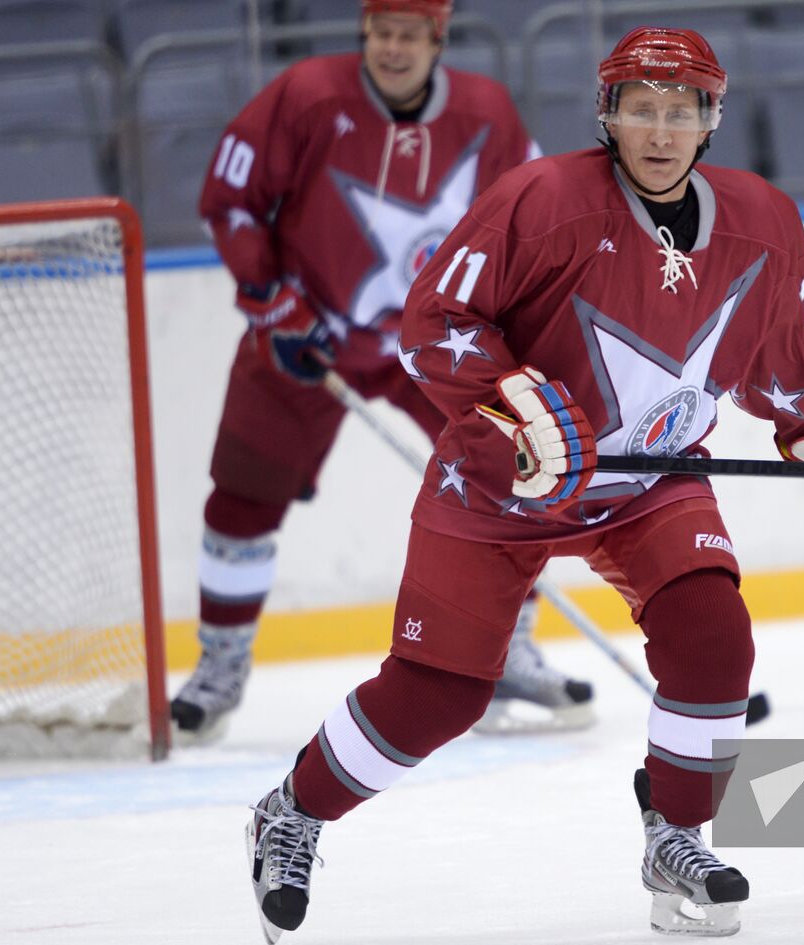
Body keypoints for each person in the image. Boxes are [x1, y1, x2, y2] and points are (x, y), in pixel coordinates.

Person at [240, 26, 804, 941]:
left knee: (712, 639)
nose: (660, 130)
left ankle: (675, 835)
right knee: (438, 693)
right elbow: (434, 321)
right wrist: (517, 405)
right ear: (608, 114)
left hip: (652, 478)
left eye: (682, 111)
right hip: (503, 486)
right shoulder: (543, 201)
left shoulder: (764, 223)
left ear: (711, 120)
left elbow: (788, 364)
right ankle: (293, 811)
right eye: (640, 109)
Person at [175, 0, 594, 743]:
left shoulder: (487, 113)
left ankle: (510, 652)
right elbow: (230, 203)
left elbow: (534, 221)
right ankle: (220, 667)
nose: (392, 49)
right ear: (363, 34)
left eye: (409, 35)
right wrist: (271, 304)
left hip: (438, 345)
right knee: (243, 496)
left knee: (517, 476)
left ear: (438, 41)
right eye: (381, 33)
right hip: (307, 335)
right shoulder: (306, 96)